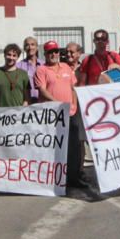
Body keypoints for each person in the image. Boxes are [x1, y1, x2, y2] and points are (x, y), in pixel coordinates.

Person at [34, 41, 88, 197]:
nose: (54, 54)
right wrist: (56, 104)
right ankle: (55, 179)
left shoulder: (66, 67)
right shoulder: (41, 70)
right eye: (50, 51)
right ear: (45, 54)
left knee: (73, 148)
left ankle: (74, 178)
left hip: (69, 114)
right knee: (53, 148)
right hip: (52, 115)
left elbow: (73, 88)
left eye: (56, 51)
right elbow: (42, 90)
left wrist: (74, 105)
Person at [0, 43, 30, 108]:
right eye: (9, 54)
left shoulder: (23, 74)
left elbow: (27, 97)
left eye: (14, 55)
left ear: (17, 57)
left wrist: (22, 110)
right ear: (4, 55)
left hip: (17, 114)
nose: (11, 58)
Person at [18, 36, 43, 102]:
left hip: (42, 101)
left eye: (32, 44)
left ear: (37, 47)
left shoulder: (44, 65)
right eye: (27, 45)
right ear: (24, 48)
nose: (30, 47)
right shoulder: (18, 66)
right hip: (26, 102)